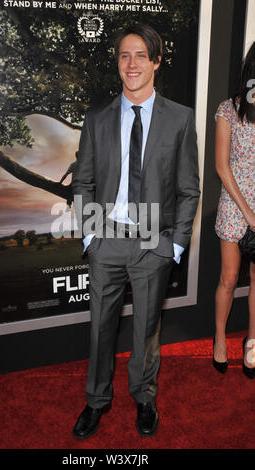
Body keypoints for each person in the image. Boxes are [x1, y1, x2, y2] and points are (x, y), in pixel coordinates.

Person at [72, 23, 200, 439]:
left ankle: (144, 398)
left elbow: (188, 188)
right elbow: (84, 182)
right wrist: (92, 237)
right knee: (99, 328)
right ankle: (96, 401)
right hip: (107, 238)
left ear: (157, 62)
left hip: (153, 242)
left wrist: (175, 245)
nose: (132, 64)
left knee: (146, 329)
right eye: (125, 55)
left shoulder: (180, 119)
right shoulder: (97, 118)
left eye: (141, 55)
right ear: (118, 62)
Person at [213, 42, 255, 379]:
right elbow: (221, 166)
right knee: (229, 278)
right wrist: (248, 213)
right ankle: (220, 337)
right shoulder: (228, 110)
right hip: (234, 202)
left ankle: (252, 342)